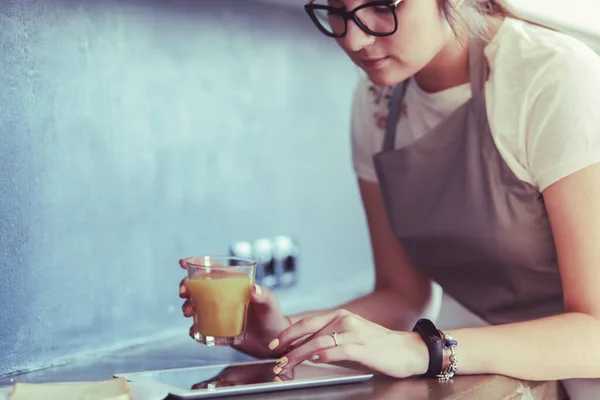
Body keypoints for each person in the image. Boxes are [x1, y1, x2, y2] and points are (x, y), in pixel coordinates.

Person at [180, 0, 600, 397]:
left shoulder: (552, 76)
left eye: (382, 5)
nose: (354, 41)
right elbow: (402, 296)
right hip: (511, 365)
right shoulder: (377, 100)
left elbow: (594, 333)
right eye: (337, 10)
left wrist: (424, 349)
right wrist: (285, 334)